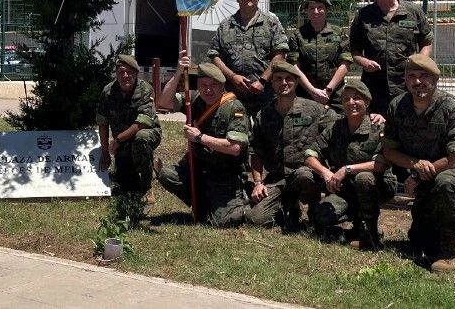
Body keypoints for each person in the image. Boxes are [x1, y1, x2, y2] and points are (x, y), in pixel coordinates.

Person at [377, 54, 455, 272]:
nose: (418, 81)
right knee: (420, 240)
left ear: (435, 80)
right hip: (424, 171)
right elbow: (388, 151)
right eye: (412, 76)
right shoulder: (397, 106)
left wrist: (418, 174)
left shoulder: (452, 106)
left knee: (445, 184)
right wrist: (416, 164)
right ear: (406, 80)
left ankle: (448, 253)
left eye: (423, 76)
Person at [155, 51, 251, 227]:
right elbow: (163, 102)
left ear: (223, 86)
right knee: (167, 175)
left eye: (213, 85)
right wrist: (178, 72)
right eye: (203, 84)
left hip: (224, 173)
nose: (208, 90)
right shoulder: (196, 100)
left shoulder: (234, 108)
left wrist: (200, 137)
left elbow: (235, 148)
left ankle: (240, 199)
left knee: (223, 222)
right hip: (199, 167)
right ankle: (203, 203)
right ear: (197, 84)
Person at [302, 80, 395, 249]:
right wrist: (325, 172)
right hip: (346, 190)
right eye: (346, 99)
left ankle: (369, 232)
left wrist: (347, 169)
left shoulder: (378, 127)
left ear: (366, 102)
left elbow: (380, 164)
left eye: (357, 98)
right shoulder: (335, 127)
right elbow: (309, 155)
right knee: (321, 217)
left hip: (377, 186)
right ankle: (354, 219)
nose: (351, 103)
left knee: (363, 177)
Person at [244, 61, 333, 230]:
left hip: (306, 174)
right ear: (272, 83)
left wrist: (373, 117)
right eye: (278, 79)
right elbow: (256, 152)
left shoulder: (314, 109)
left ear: (297, 82)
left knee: (303, 175)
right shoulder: (264, 115)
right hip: (277, 177)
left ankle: (314, 209)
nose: (283, 83)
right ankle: (288, 206)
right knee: (255, 219)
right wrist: (257, 182)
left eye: (288, 79)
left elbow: (341, 125)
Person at [349, 0, 432, 116]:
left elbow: (427, 41)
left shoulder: (413, 12)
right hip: (375, 85)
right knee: (377, 128)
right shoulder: (363, 15)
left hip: (408, 83)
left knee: (408, 125)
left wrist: (419, 63)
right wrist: (364, 62)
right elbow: (355, 50)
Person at [207, 0, 289, 116]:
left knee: (264, 135)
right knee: (235, 133)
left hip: (265, 93)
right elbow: (214, 55)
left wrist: (262, 81)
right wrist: (232, 76)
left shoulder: (271, 23)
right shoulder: (226, 26)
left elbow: (280, 54)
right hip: (233, 94)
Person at [96, 54, 161, 201]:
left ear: (136, 73)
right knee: (126, 183)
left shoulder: (146, 89)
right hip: (123, 142)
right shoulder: (108, 92)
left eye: (129, 72)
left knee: (141, 138)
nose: (125, 76)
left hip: (147, 134)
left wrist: (118, 139)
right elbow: (102, 122)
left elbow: (142, 123)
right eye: (121, 72)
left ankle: (147, 187)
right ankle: (154, 166)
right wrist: (105, 151)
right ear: (116, 74)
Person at [286, 0, 352, 110]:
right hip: (305, 95)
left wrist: (328, 90)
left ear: (327, 10)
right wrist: (312, 91)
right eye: (312, 8)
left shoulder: (339, 33)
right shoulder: (297, 35)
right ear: (307, 11)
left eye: (320, 8)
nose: (316, 12)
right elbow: (294, 67)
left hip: (334, 96)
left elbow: (345, 64)